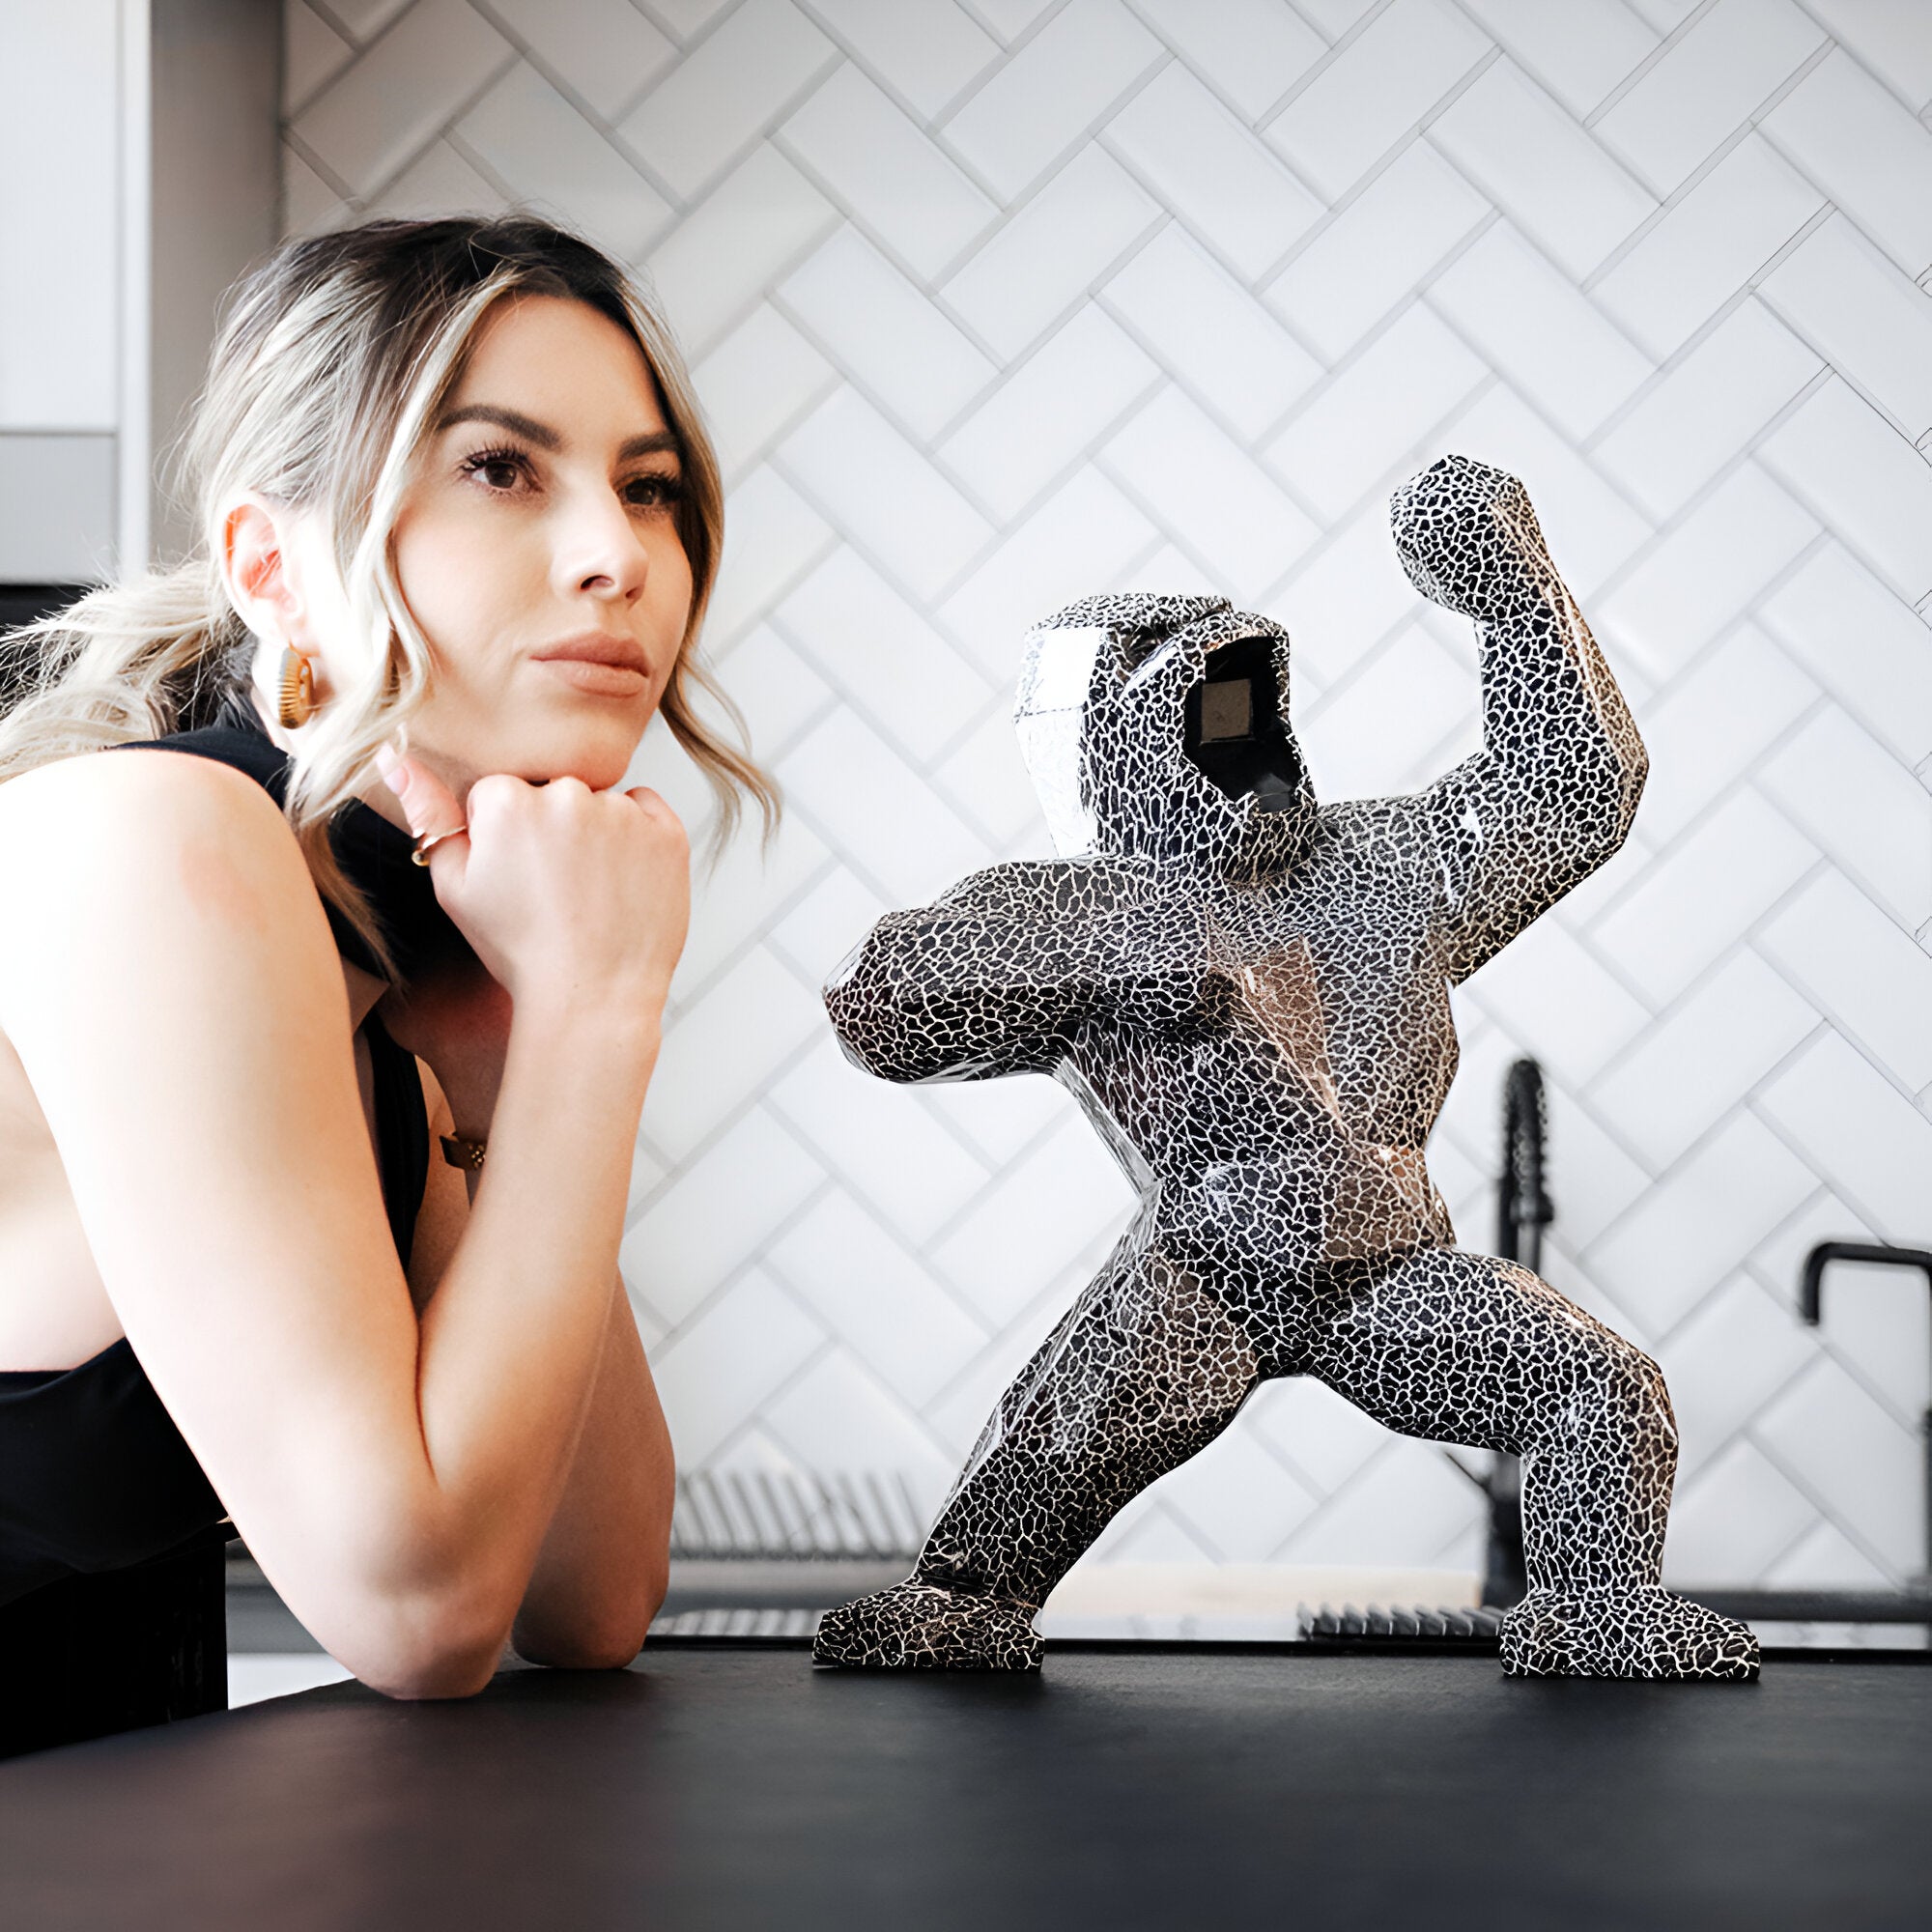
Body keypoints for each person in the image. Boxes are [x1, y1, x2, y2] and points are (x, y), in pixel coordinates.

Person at [0, 216, 775, 1705]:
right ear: (269, 565)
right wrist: (597, 1018)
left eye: (650, 486)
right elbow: (420, 1610)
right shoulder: (161, 848)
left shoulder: (382, 974)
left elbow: (590, 1591)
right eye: (501, 468)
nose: (618, 556)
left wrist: (506, 1058)